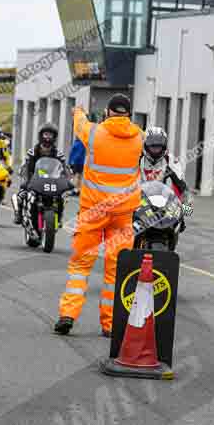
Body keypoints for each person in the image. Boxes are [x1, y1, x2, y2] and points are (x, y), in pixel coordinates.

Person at [54, 94, 143, 337]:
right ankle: (110, 325)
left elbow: (79, 122)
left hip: (93, 212)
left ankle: (68, 315)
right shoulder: (140, 138)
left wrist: (78, 110)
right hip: (123, 215)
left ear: (107, 113)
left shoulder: (93, 133)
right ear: (129, 114)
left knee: (80, 266)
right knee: (115, 272)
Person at [13, 123, 69, 229]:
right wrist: (25, 178)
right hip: (35, 179)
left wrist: (68, 180)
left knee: (62, 197)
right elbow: (25, 167)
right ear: (41, 135)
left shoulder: (58, 153)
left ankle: (59, 218)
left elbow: (65, 169)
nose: (48, 138)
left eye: (50, 135)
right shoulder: (32, 151)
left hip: (52, 181)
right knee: (21, 195)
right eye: (46, 134)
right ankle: (19, 215)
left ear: (54, 137)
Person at [139, 126, 193, 223]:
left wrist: (186, 207)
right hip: (140, 202)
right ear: (145, 145)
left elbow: (182, 185)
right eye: (152, 146)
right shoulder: (137, 159)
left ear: (164, 146)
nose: (155, 149)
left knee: (178, 224)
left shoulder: (170, 160)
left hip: (164, 203)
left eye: (158, 146)